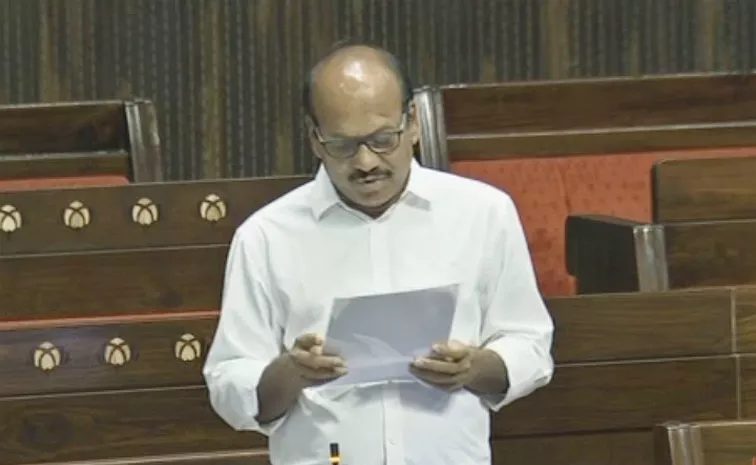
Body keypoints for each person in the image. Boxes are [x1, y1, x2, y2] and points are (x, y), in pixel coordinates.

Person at [203, 42, 554, 465]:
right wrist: (291, 372)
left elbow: (530, 345)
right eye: (342, 144)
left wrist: (473, 368)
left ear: (414, 124)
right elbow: (228, 383)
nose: (366, 162)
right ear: (314, 139)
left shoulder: (483, 214)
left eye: (382, 139)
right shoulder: (266, 236)